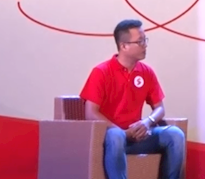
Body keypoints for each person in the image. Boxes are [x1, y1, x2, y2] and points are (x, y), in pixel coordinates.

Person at [79, 19, 185, 179]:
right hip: (110, 138)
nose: (145, 45)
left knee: (175, 135)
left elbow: (159, 108)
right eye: (140, 41)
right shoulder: (101, 72)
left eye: (145, 40)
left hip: (138, 136)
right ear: (124, 46)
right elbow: (91, 113)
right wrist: (123, 132)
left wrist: (147, 122)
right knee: (116, 136)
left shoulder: (146, 72)